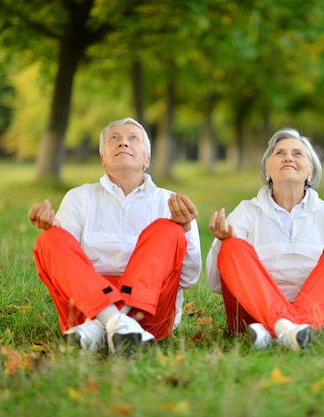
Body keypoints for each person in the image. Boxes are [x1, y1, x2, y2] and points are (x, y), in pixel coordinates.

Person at [29, 117, 201, 355]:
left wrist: (186, 230)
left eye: (133, 138)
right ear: (103, 158)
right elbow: (65, 265)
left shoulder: (169, 201)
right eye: (114, 138)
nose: (123, 143)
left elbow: (188, 279)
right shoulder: (79, 197)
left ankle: (104, 326)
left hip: (149, 315)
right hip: (84, 310)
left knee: (168, 228)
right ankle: (115, 323)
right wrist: (54, 228)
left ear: (147, 159)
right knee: (49, 239)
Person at [206, 127, 324, 351]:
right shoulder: (246, 212)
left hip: (322, 319)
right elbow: (215, 282)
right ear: (267, 171)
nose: (288, 157)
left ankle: (280, 328)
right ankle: (289, 329)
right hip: (252, 321)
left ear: (310, 172)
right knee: (231, 246)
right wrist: (221, 243)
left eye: (297, 153)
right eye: (279, 153)